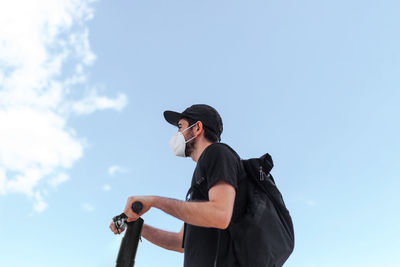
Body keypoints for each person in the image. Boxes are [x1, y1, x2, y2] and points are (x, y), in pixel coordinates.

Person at [109, 104, 245, 267]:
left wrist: (153, 201)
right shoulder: (201, 178)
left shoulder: (216, 153)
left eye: (180, 127)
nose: (176, 134)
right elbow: (179, 242)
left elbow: (220, 215)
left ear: (197, 128)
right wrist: (135, 223)